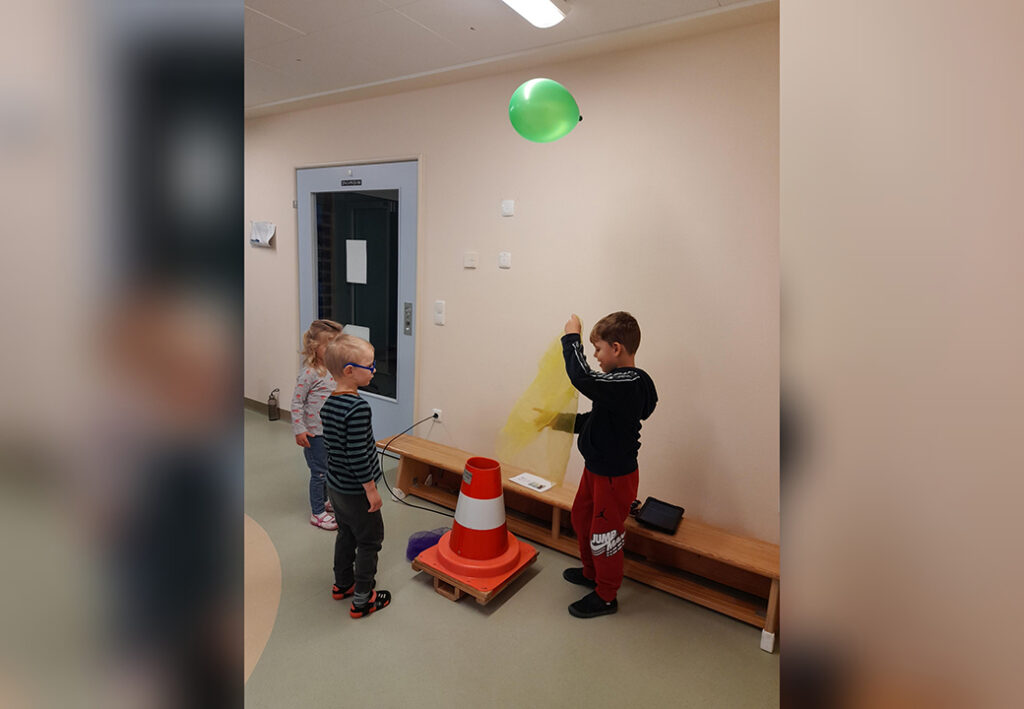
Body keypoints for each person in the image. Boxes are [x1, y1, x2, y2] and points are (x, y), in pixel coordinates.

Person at [556, 311, 658, 617]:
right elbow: (594, 420)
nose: (596, 356)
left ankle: (606, 595)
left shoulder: (629, 382)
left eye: (598, 349)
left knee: (605, 536)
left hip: (615, 477)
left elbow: (582, 378)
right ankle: (592, 574)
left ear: (616, 348)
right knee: (581, 520)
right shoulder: (616, 384)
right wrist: (556, 421)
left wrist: (571, 338)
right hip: (595, 470)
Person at [320, 334, 392, 618]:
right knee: (370, 541)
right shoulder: (358, 408)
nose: (374, 370)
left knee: (346, 534)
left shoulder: (330, 403)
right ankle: (363, 598)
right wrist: (371, 490)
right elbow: (359, 455)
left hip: (336, 487)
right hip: (356, 490)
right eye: (369, 366)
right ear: (349, 370)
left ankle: (342, 584)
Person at [291, 319, 344, 530]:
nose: (334, 349)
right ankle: (317, 512)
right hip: (315, 434)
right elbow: (296, 402)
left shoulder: (333, 369)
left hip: (331, 431)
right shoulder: (310, 373)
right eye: (328, 344)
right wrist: (299, 429)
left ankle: (324, 501)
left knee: (329, 469)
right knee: (319, 472)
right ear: (315, 347)